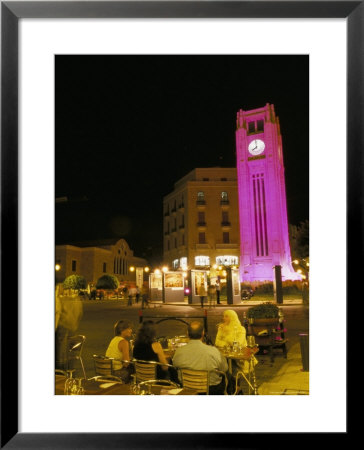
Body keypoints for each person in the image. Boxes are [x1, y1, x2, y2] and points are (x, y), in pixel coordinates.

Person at [172, 321, 228, 395]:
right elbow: (224, 368)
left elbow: (175, 365)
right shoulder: (213, 351)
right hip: (211, 390)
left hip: (187, 389)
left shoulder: (179, 351)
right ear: (203, 333)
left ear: (187, 333)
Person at [215, 309, 257, 377]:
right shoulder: (221, 328)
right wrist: (228, 345)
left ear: (232, 317)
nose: (224, 318)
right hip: (226, 355)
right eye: (223, 316)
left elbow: (238, 344)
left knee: (232, 366)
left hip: (239, 357)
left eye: (226, 316)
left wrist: (227, 334)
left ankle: (235, 384)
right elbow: (217, 342)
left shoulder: (241, 329)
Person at [55, 284, 83, 371]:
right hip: (71, 327)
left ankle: (60, 365)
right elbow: (79, 314)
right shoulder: (76, 300)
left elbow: (57, 313)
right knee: (67, 347)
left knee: (61, 347)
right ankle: (66, 367)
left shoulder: (60, 300)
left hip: (62, 326)